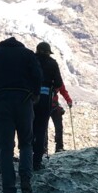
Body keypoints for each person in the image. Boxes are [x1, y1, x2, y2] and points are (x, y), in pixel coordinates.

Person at [0, 37, 43, 193]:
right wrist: (35, 93)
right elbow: (38, 75)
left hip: (2, 101)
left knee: (6, 147)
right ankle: (26, 181)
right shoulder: (28, 54)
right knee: (26, 143)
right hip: (25, 100)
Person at [32, 42, 66, 170]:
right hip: (45, 99)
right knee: (41, 128)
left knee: (28, 127)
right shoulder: (52, 63)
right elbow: (58, 82)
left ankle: (26, 155)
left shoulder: (31, 60)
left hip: (29, 97)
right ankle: (37, 161)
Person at [50, 84, 73, 152]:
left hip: (49, 106)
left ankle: (45, 148)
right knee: (58, 127)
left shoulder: (44, 76)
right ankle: (59, 147)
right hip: (52, 106)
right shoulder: (56, 78)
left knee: (57, 127)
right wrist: (68, 100)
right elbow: (63, 91)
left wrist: (69, 100)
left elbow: (63, 90)